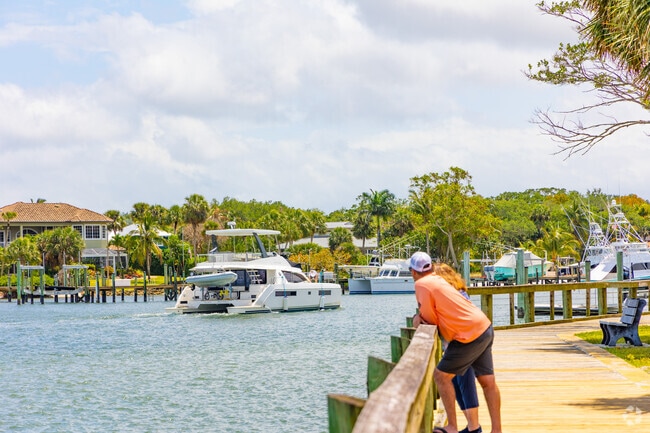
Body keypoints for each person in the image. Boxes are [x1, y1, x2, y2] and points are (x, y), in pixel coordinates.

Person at [409, 251, 502, 433]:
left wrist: (416, 319)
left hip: (466, 336)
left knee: (441, 376)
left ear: (413, 271)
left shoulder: (421, 284)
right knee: (488, 382)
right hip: (484, 327)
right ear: (431, 267)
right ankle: (496, 430)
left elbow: (429, 320)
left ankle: (451, 426)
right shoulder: (439, 279)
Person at [432, 263, 481, 433]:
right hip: (454, 346)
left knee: (466, 384)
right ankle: (471, 426)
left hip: (463, 345)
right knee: (457, 383)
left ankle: (475, 427)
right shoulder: (454, 295)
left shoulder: (460, 295)